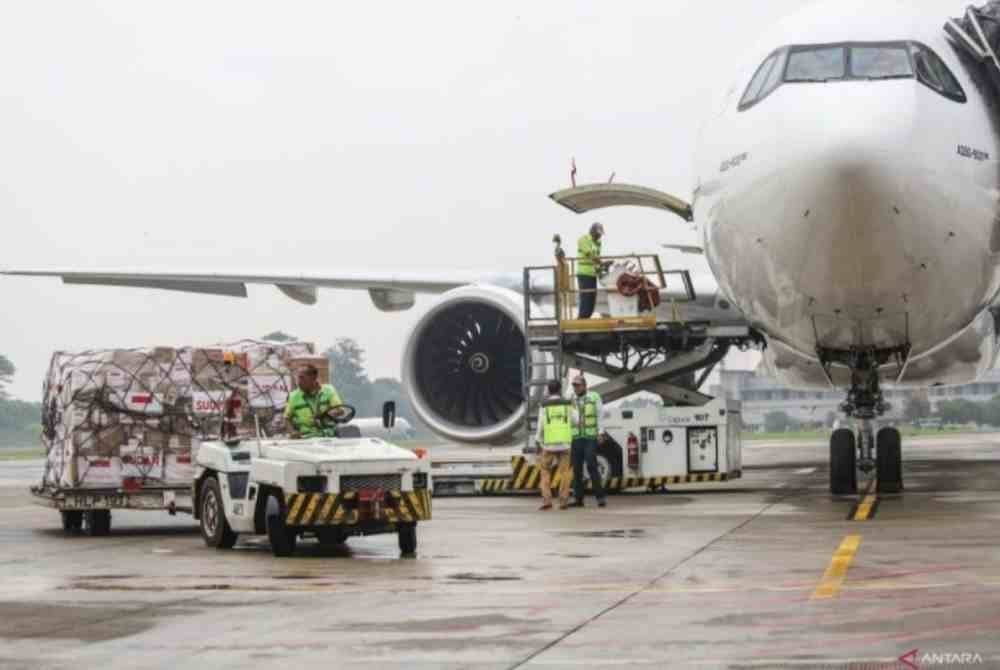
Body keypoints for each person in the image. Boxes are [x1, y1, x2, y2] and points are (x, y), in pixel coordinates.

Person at [534, 380, 576, 510]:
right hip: (564, 444)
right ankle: (563, 501)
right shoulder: (567, 404)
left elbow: (540, 425)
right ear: (559, 390)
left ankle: (547, 501)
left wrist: (537, 440)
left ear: (548, 390)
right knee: (565, 473)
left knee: (545, 472)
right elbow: (576, 420)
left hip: (549, 445)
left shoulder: (544, 406)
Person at [568, 375, 607, 507]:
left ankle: (600, 497)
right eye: (574, 385)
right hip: (576, 438)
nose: (576, 388)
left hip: (590, 437)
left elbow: (600, 415)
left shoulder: (594, 397)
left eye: (578, 385)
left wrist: (601, 432)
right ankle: (578, 499)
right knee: (577, 469)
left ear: (585, 386)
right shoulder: (571, 399)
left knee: (591, 465)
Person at [284, 365, 346, 438]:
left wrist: (325, 415)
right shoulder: (293, 396)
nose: (299, 382)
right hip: (306, 439)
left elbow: (340, 410)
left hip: (329, 436)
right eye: (298, 378)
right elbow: (286, 418)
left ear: (313, 378)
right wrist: (292, 432)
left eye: (302, 378)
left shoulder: (328, 390)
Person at [576, 222, 604, 319]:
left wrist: (601, 271)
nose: (599, 236)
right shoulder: (583, 240)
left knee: (592, 301)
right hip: (584, 274)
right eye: (598, 234)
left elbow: (597, 258)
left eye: (600, 234)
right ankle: (581, 322)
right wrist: (602, 263)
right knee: (586, 300)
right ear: (592, 231)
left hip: (592, 275)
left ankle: (585, 319)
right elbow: (590, 255)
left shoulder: (598, 243)